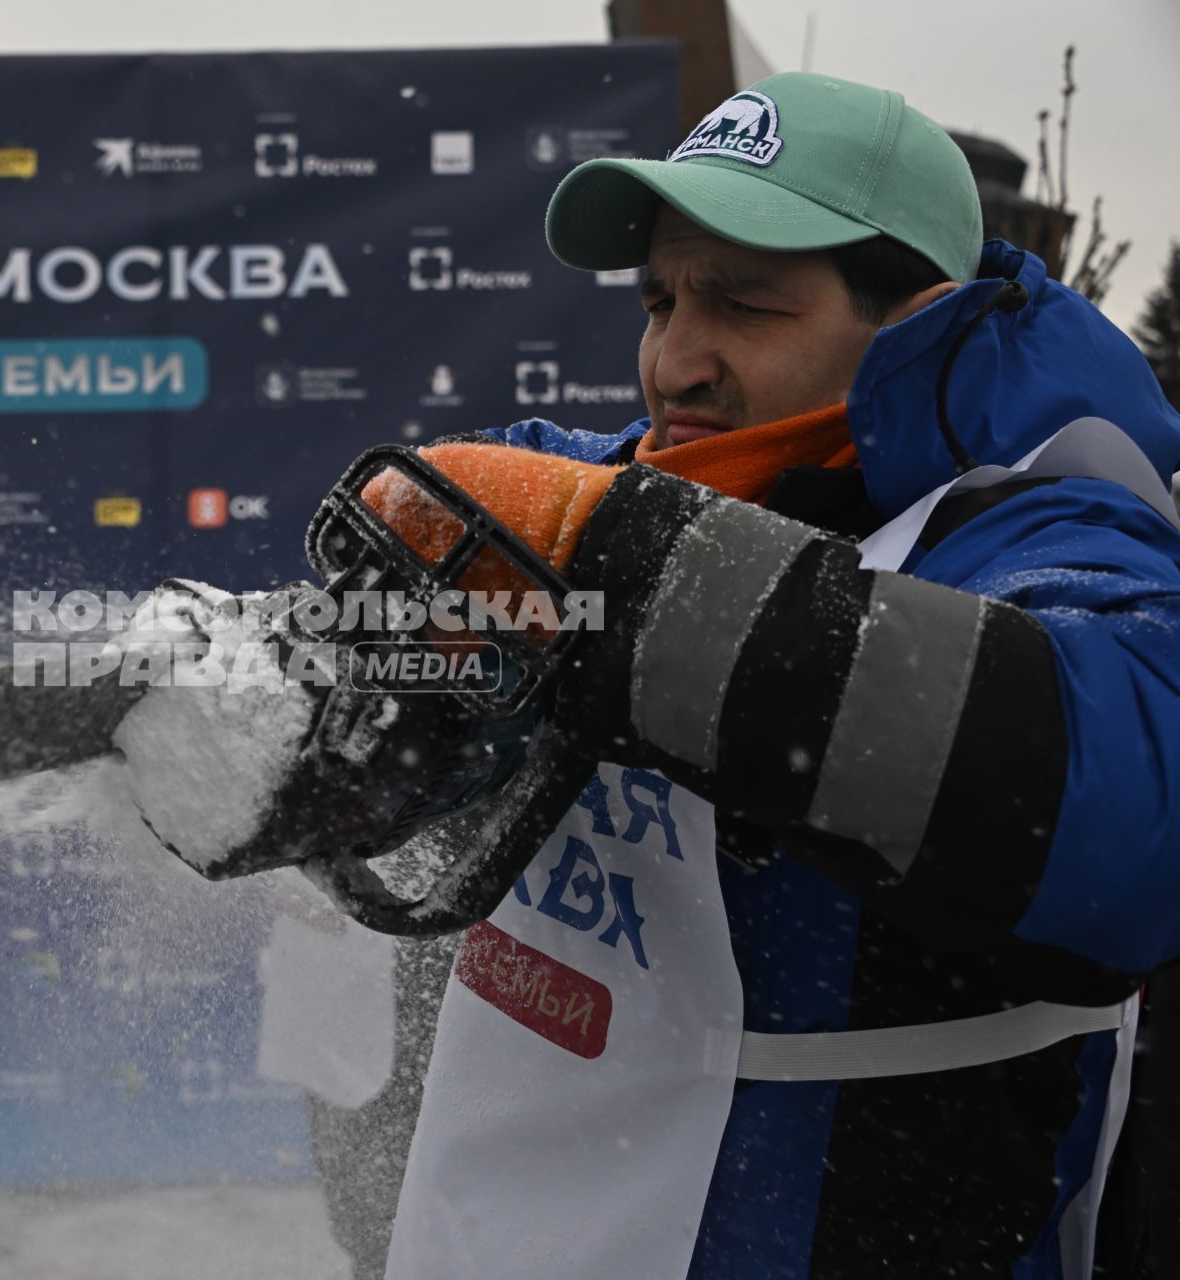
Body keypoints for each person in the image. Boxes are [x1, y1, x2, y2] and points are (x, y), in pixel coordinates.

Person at [365, 72, 1180, 1278]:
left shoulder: (1052, 528)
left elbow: (1133, 817)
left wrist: (640, 583)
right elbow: (472, 528)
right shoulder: (611, 480)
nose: (675, 360)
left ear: (920, 320)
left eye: (741, 304)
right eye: (658, 299)